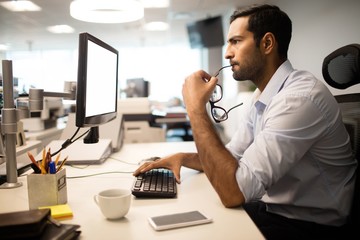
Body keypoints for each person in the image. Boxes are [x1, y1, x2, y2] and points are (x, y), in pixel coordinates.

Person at [134, 4, 357, 239]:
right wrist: (184, 158)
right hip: (275, 210)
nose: (227, 53)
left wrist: (195, 109)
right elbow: (231, 156)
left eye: (236, 41)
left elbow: (234, 192)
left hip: (308, 226)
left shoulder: (298, 99)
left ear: (267, 44)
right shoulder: (263, 94)